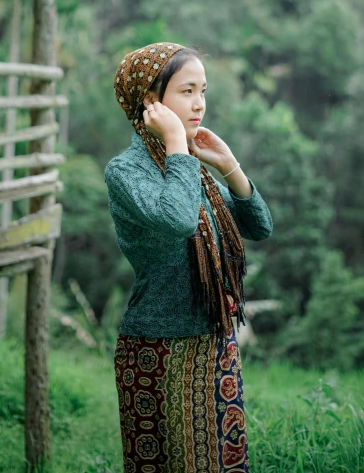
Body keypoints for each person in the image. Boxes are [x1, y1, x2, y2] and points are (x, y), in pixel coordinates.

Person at [105, 42, 273, 472]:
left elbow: (258, 227)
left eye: (203, 91)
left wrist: (229, 165)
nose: (199, 103)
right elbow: (178, 219)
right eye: (186, 91)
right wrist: (178, 143)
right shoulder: (126, 171)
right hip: (160, 349)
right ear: (150, 100)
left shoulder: (192, 167)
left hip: (215, 344)